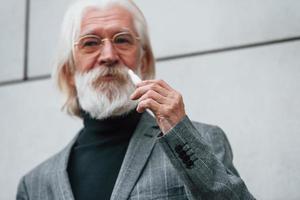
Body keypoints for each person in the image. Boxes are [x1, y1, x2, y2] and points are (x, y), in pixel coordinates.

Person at [17, 0, 255, 199]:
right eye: (90, 43)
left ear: (144, 62)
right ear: (69, 70)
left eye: (122, 40)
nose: (109, 56)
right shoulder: (35, 185)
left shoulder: (200, 141)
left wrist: (179, 132)